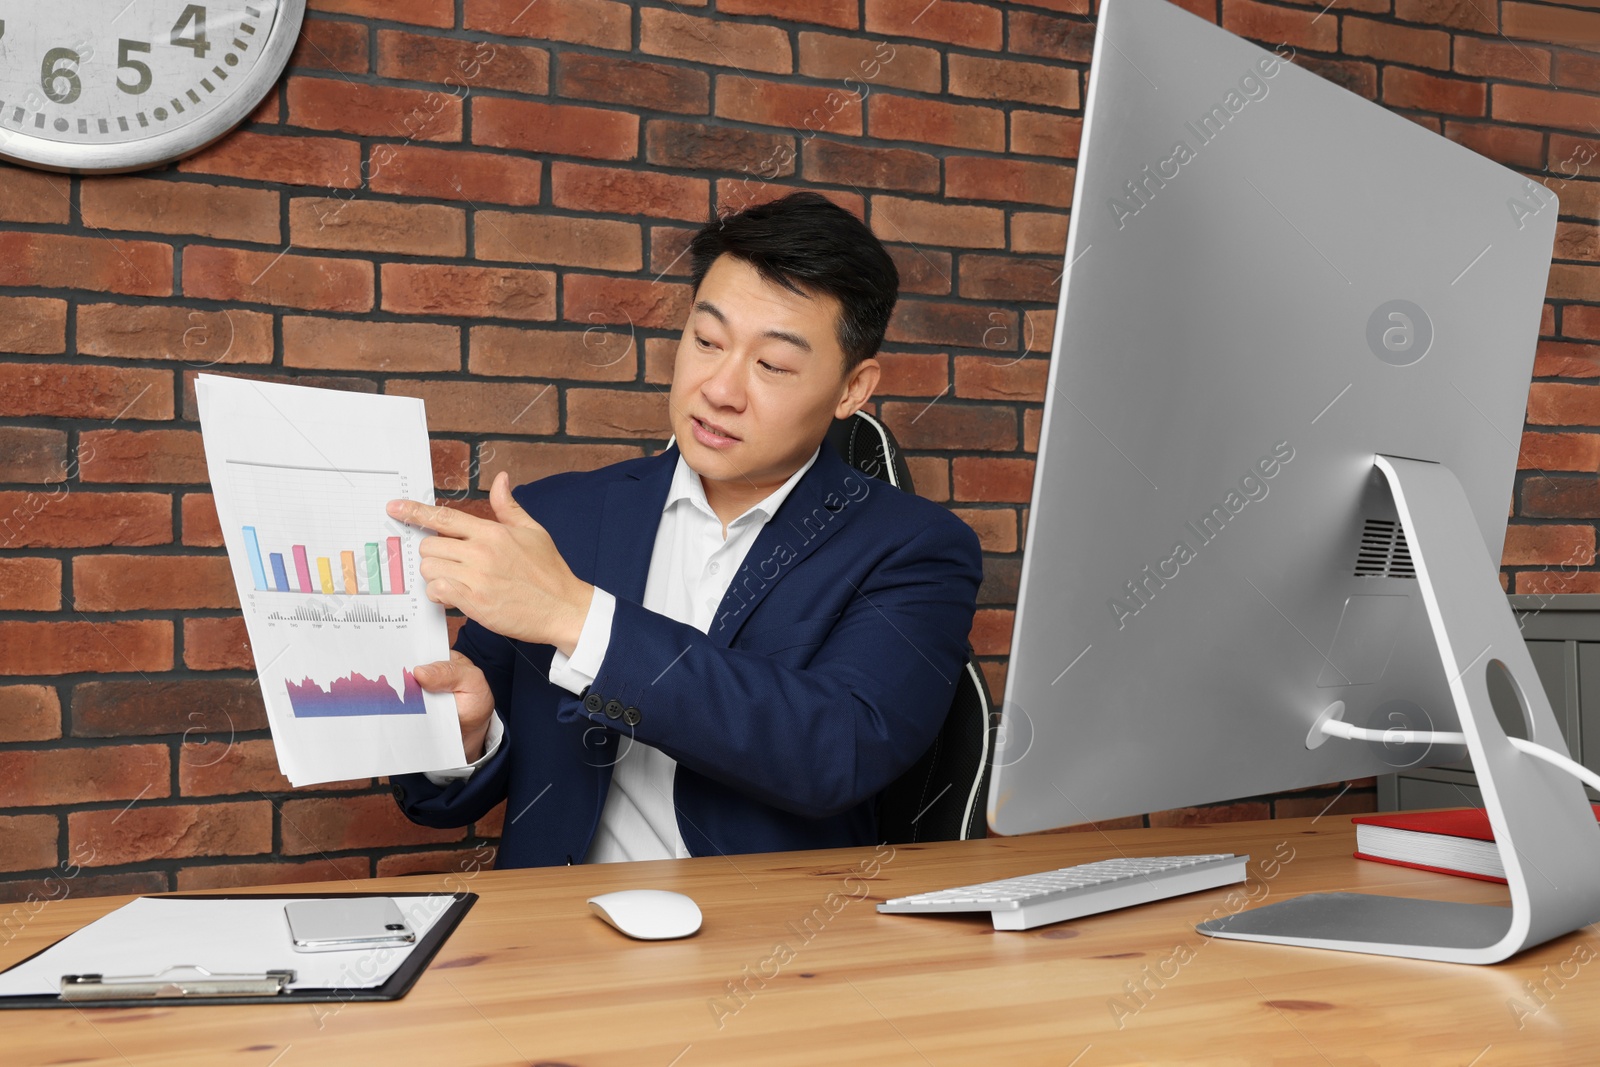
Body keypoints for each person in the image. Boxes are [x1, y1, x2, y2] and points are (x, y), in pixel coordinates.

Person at [385, 191, 983, 867]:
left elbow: (835, 751)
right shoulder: (556, 519)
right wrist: (465, 735)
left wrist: (582, 619)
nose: (720, 389)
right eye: (706, 340)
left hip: (774, 948)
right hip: (554, 939)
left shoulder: (916, 550)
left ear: (853, 387)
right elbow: (435, 800)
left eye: (774, 366)